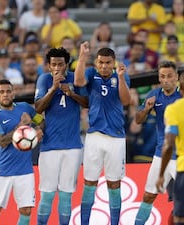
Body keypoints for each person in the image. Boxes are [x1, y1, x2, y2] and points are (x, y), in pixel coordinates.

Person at [74, 42, 131, 225]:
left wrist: (121, 78)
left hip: (116, 137)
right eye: (101, 62)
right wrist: (82, 56)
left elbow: (126, 100)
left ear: (113, 62)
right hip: (95, 136)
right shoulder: (91, 74)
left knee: (114, 184)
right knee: (89, 183)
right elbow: (78, 82)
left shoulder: (121, 75)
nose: (104, 66)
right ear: (96, 63)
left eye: (108, 62)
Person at [34, 47, 88, 225]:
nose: (57, 68)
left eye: (60, 64)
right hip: (50, 146)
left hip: (72, 146)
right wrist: (53, 89)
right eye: (54, 64)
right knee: (47, 194)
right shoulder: (44, 79)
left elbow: (87, 103)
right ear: (49, 66)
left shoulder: (75, 78)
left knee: (66, 194)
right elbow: (38, 108)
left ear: (67, 65)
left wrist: (71, 93)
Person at [0, 79, 43, 225]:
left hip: (25, 170)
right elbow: (2, 142)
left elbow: (41, 121)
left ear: (13, 93)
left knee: (26, 210)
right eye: (1, 92)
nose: (5, 95)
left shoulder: (24, 108)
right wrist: (20, 125)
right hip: (3, 170)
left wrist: (38, 130)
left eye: (8, 91)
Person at [134, 61, 181, 225]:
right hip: (161, 155)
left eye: (169, 76)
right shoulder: (154, 95)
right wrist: (146, 109)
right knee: (148, 196)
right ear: (159, 78)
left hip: (181, 157)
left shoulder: (182, 96)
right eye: (162, 76)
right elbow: (138, 120)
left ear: (176, 77)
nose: (166, 79)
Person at [156, 71, 184, 225]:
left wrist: (161, 173)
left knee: (179, 218)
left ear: (181, 89)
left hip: (183, 168)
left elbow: (168, 145)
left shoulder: (174, 109)